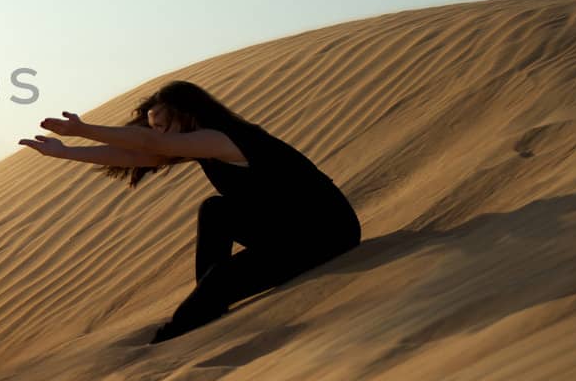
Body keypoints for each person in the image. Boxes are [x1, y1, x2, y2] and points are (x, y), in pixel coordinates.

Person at [18, 80, 362, 343]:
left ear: (188, 116)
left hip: (325, 234)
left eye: (161, 125)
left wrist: (84, 128)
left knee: (209, 294)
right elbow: (140, 156)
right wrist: (65, 151)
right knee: (216, 211)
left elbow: (152, 147)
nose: (155, 134)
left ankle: (190, 323)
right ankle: (210, 301)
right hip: (286, 231)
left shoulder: (220, 138)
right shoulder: (202, 144)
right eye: (152, 128)